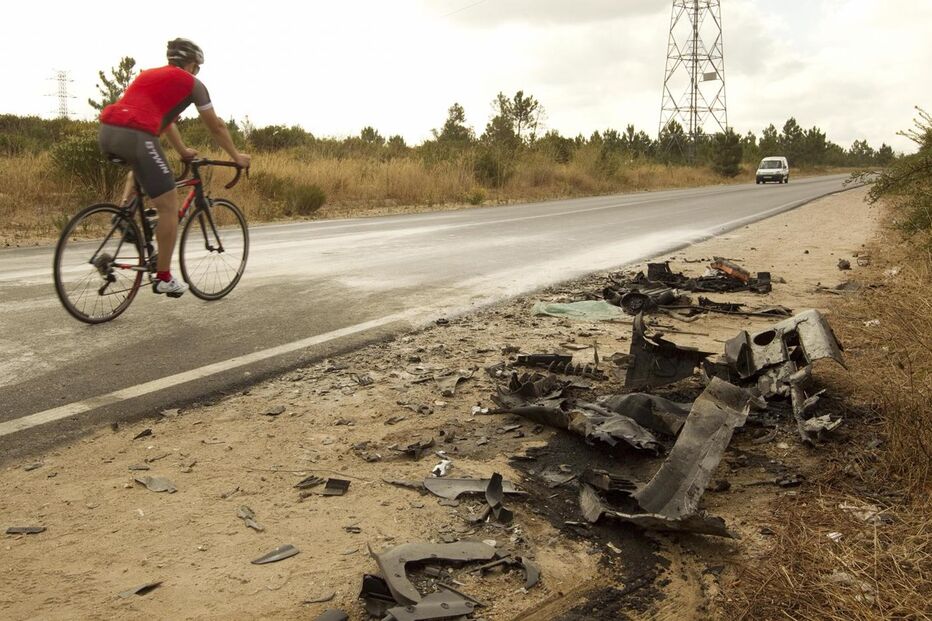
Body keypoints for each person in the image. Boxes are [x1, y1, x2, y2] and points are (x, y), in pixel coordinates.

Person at [98, 38, 250, 296]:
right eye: (197, 68)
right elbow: (217, 126)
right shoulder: (193, 84)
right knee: (169, 205)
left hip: (108, 131)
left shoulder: (149, 75)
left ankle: (124, 213)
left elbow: (165, 121)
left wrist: (182, 151)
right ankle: (164, 277)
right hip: (137, 136)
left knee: (139, 166)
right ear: (192, 65)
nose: (197, 72)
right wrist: (236, 155)